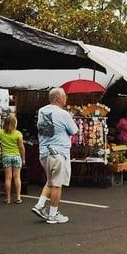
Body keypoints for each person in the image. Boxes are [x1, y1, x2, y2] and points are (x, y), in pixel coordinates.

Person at [31, 88, 78, 224]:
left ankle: (39, 205)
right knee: (57, 184)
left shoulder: (42, 111)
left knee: (51, 181)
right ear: (58, 98)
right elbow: (74, 130)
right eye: (64, 96)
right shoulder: (64, 114)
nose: (66, 98)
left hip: (44, 152)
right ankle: (53, 215)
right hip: (58, 153)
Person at [0, 115, 25, 204]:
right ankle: (18, 197)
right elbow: (21, 147)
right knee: (17, 177)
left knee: (8, 178)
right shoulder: (18, 134)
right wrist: (23, 158)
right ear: (15, 124)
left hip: (6, 156)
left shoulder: (1, 133)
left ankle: (8, 198)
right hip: (16, 156)